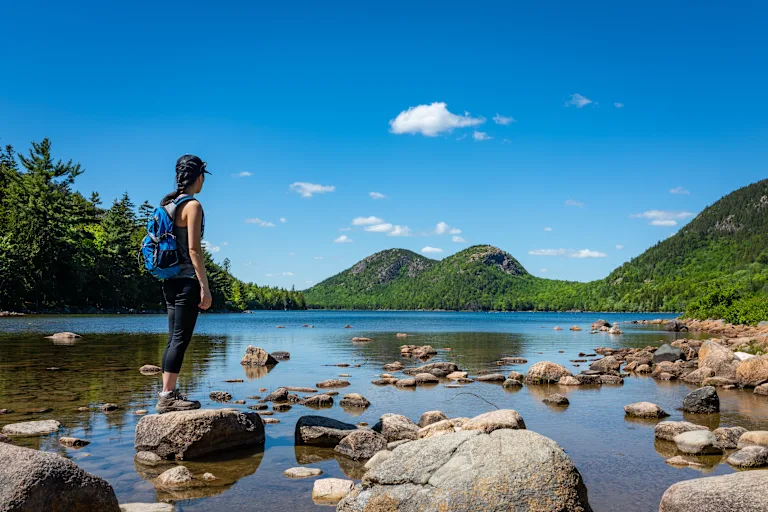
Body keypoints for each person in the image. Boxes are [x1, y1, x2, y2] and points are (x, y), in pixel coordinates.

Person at [156, 155, 213, 413]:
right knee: (180, 338)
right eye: (203, 176)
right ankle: (167, 395)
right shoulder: (193, 206)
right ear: (198, 177)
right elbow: (194, 249)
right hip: (187, 281)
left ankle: (168, 392)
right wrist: (205, 285)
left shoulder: (169, 204)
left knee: (173, 338)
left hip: (168, 280)